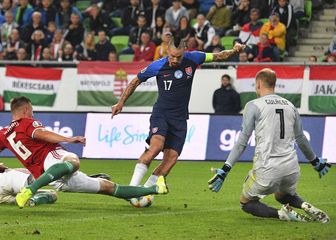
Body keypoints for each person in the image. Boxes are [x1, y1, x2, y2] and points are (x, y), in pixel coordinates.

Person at [111, 37, 245, 190]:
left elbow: (219, 56)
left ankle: (145, 191)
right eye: (172, 56)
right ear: (167, 51)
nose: (175, 60)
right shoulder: (158, 65)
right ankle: (132, 188)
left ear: (185, 52)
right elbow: (135, 81)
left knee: (171, 159)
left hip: (180, 118)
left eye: (178, 57)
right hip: (161, 113)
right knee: (155, 147)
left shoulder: (194, 58)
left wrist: (235, 50)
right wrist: (121, 102)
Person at [208, 68, 331, 223]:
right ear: (274, 84)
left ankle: (281, 214)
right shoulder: (290, 106)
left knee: (246, 202)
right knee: (283, 195)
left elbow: (242, 142)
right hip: (291, 168)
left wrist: (225, 169)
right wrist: (315, 162)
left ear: (258, 84)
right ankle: (304, 204)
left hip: (267, 168)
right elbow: (301, 139)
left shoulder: (253, 105)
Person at [0, 96, 168, 208]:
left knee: (109, 188)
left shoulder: (4, 134)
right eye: (31, 110)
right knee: (73, 161)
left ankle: (155, 188)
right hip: (51, 157)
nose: (32, 113)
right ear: (25, 110)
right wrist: (69, 139)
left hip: (51, 178)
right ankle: (30, 190)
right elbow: (42, 134)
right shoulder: (26, 122)